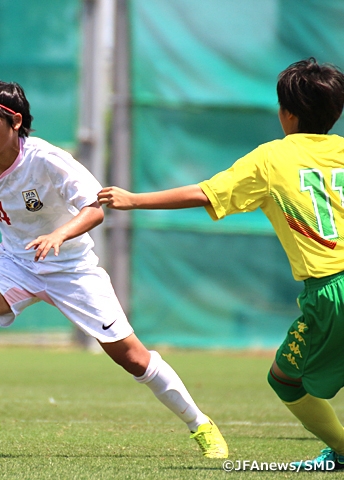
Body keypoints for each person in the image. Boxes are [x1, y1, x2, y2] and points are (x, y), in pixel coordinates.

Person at [0, 80, 229, 458]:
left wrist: (58, 235)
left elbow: (94, 208)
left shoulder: (47, 160)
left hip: (71, 268)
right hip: (18, 263)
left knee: (132, 357)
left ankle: (200, 424)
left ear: (15, 121)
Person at [98, 57, 344, 471]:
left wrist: (133, 199)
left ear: (286, 113)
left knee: (285, 379)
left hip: (331, 290)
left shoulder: (271, 158)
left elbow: (206, 193)